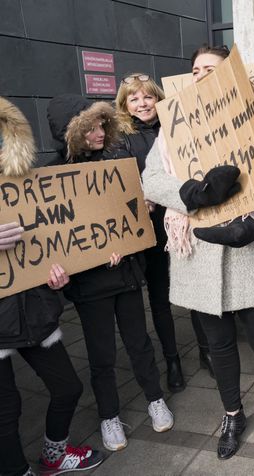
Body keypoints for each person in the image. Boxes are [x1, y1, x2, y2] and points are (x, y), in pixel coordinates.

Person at [141, 45, 254, 464]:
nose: (200, 75)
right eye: (195, 68)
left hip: (247, 255)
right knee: (218, 348)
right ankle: (232, 415)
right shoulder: (171, 129)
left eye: (210, 69)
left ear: (230, 76)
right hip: (196, 254)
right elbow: (151, 179)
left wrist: (253, 226)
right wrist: (190, 193)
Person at [46, 94, 174, 452]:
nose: (99, 132)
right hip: (89, 287)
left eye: (102, 124)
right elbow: (55, 239)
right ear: (71, 133)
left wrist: (131, 233)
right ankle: (109, 417)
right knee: (101, 355)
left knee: (139, 343)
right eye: (90, 128)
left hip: (126, 275)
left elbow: (133, 218)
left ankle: (155, 398)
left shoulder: (118, 161)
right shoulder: (54, 176)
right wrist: (66, 269)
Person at [0, 97, 105, 475]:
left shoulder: (30, 184)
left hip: (35, 311)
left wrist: (58, 274)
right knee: (6, 410)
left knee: (68, 388)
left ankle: (54, 455)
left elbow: (52, 241)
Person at [114, 73, 214, 390]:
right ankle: (172, 359)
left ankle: (206, 350)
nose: (143, 103)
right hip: (152, 228)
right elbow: (119, 183)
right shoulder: (122, 139)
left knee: (197, 289)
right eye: (134, 98)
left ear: (158, 99)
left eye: (148, 96)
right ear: (125, 105)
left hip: (184, 220)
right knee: (160, 296)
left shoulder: (178, 128)